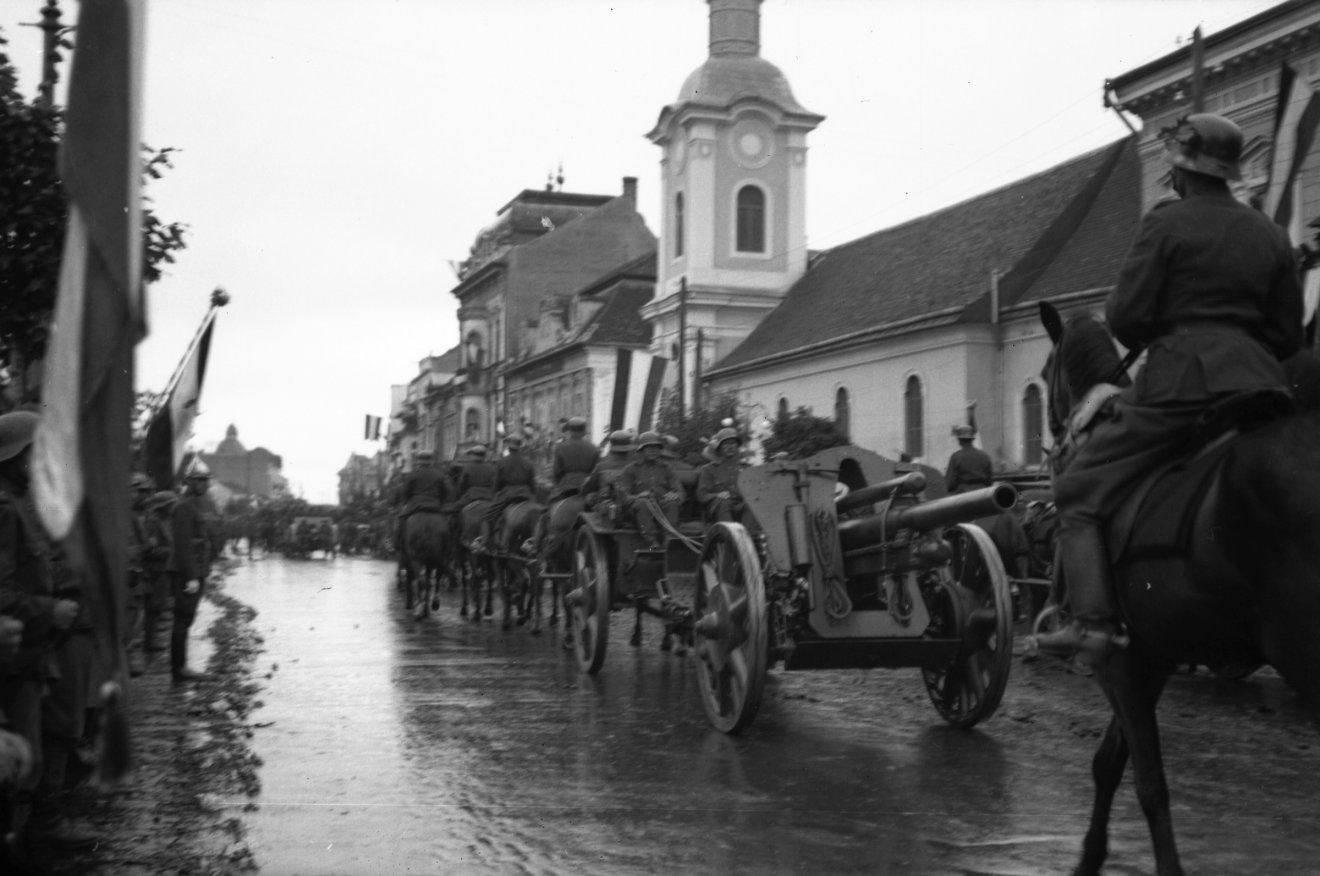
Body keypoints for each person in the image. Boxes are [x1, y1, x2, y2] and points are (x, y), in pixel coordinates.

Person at [1032, 113, 1303, 667]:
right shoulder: (1271, 233)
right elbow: (1288, 334)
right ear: (1230, 172)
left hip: (1183, 385)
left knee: (1078, 490)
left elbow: (1127, 319)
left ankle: (1094, 624)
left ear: (1180, 171)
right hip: (1264, 387)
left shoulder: (1165, 223)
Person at [0, 411, 90, 849]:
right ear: (19, 458)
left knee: (31, 750)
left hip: (30, 649)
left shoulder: (21, 504)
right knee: (17, 760)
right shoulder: (4, 508)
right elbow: (2, 593)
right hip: (13, 655)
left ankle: (33, 832)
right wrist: (48, 609)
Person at [170, 459, 215, 682]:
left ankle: (180, 666)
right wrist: (190, 576)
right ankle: (179, 668)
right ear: (189, 482)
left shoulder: (193, 505)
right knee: (182, 618)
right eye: (200, 480)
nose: (205, 484)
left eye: (206, 480)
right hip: (187, 572)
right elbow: (182, 544)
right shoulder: (184, 507)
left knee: (186, 619)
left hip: (196, 569)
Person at [618, 432, 682, 549]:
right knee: (643, 504)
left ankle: (670, 540)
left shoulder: (667, 469)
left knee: (672, 504)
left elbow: (680, 492)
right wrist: (638, 497)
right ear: (641, 450)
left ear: (660, 450)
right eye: (649, 448)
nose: (653, 450)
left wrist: (675, 495)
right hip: (637, 512)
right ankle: (652, 542)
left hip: (662, 509)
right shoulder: (630, 470)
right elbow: (624, 497)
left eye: (656, 447)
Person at [481, 436, 537, 548]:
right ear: (520, 448)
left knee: (487, 517)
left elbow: (497, 483)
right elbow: (532, 483)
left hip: (507, 494)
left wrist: (495, 493)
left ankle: (483, 542)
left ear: (509, 448)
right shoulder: (528, 463)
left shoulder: (502, 462)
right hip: (526, 494)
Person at [697, 427, 748, 523]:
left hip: (740, 506)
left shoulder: (745, 468)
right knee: (724, 502)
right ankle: (730, 536)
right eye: (726, 444)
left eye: (733, 443)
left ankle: (745, 536)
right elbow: (701, 496)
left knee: (753, 505)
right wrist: (717, 495)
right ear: (719, 448)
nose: (730, 447)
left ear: (737, 446)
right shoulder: (709, 469)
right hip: (718, 509)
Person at [550, 417, 597, 500]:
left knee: (550, 505)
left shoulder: (560, 447)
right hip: (587, 486)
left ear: (570, 431)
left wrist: (558, 484)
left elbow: (556, 472)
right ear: (584, 432)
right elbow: (596, 471)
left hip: (566, 486)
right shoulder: (593, 448)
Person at [944, 424, 992, 494]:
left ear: (959, 440)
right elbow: (989, 480)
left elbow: (950, 482)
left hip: (963, 495)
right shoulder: (984, 455)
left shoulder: (956, 457)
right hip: (983, 493)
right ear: (972, 440)